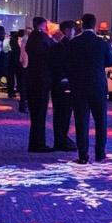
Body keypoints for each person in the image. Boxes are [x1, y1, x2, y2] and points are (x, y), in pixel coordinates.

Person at [66, 13, 112, 164]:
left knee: (81, 121)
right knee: (101, 120)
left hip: (79, 86)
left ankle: (83, 155)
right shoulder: (102, 43)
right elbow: (110, 61)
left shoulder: (74, 43)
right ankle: (100, 153)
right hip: (98, 85)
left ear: (82, 25)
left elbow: (68, 63)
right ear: (95, 25)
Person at [25, 16, 54, 152]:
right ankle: (38, 144)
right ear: (41, 25)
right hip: (41, 78)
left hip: (33, 77)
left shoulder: (32, 37)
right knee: (40, 113)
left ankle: (36, 142)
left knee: (36, 113)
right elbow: (50, 52)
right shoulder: (41, 38)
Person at [50, 20, 77, 151]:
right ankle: (61, 140)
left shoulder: (60, 45)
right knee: (63, 113)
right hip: (63, 84)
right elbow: (63, 65)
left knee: (61, 113)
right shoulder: (63, 46)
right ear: (67, 30)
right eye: (73, 29)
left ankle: (61, 139)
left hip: (59, 83)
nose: (74, 32)